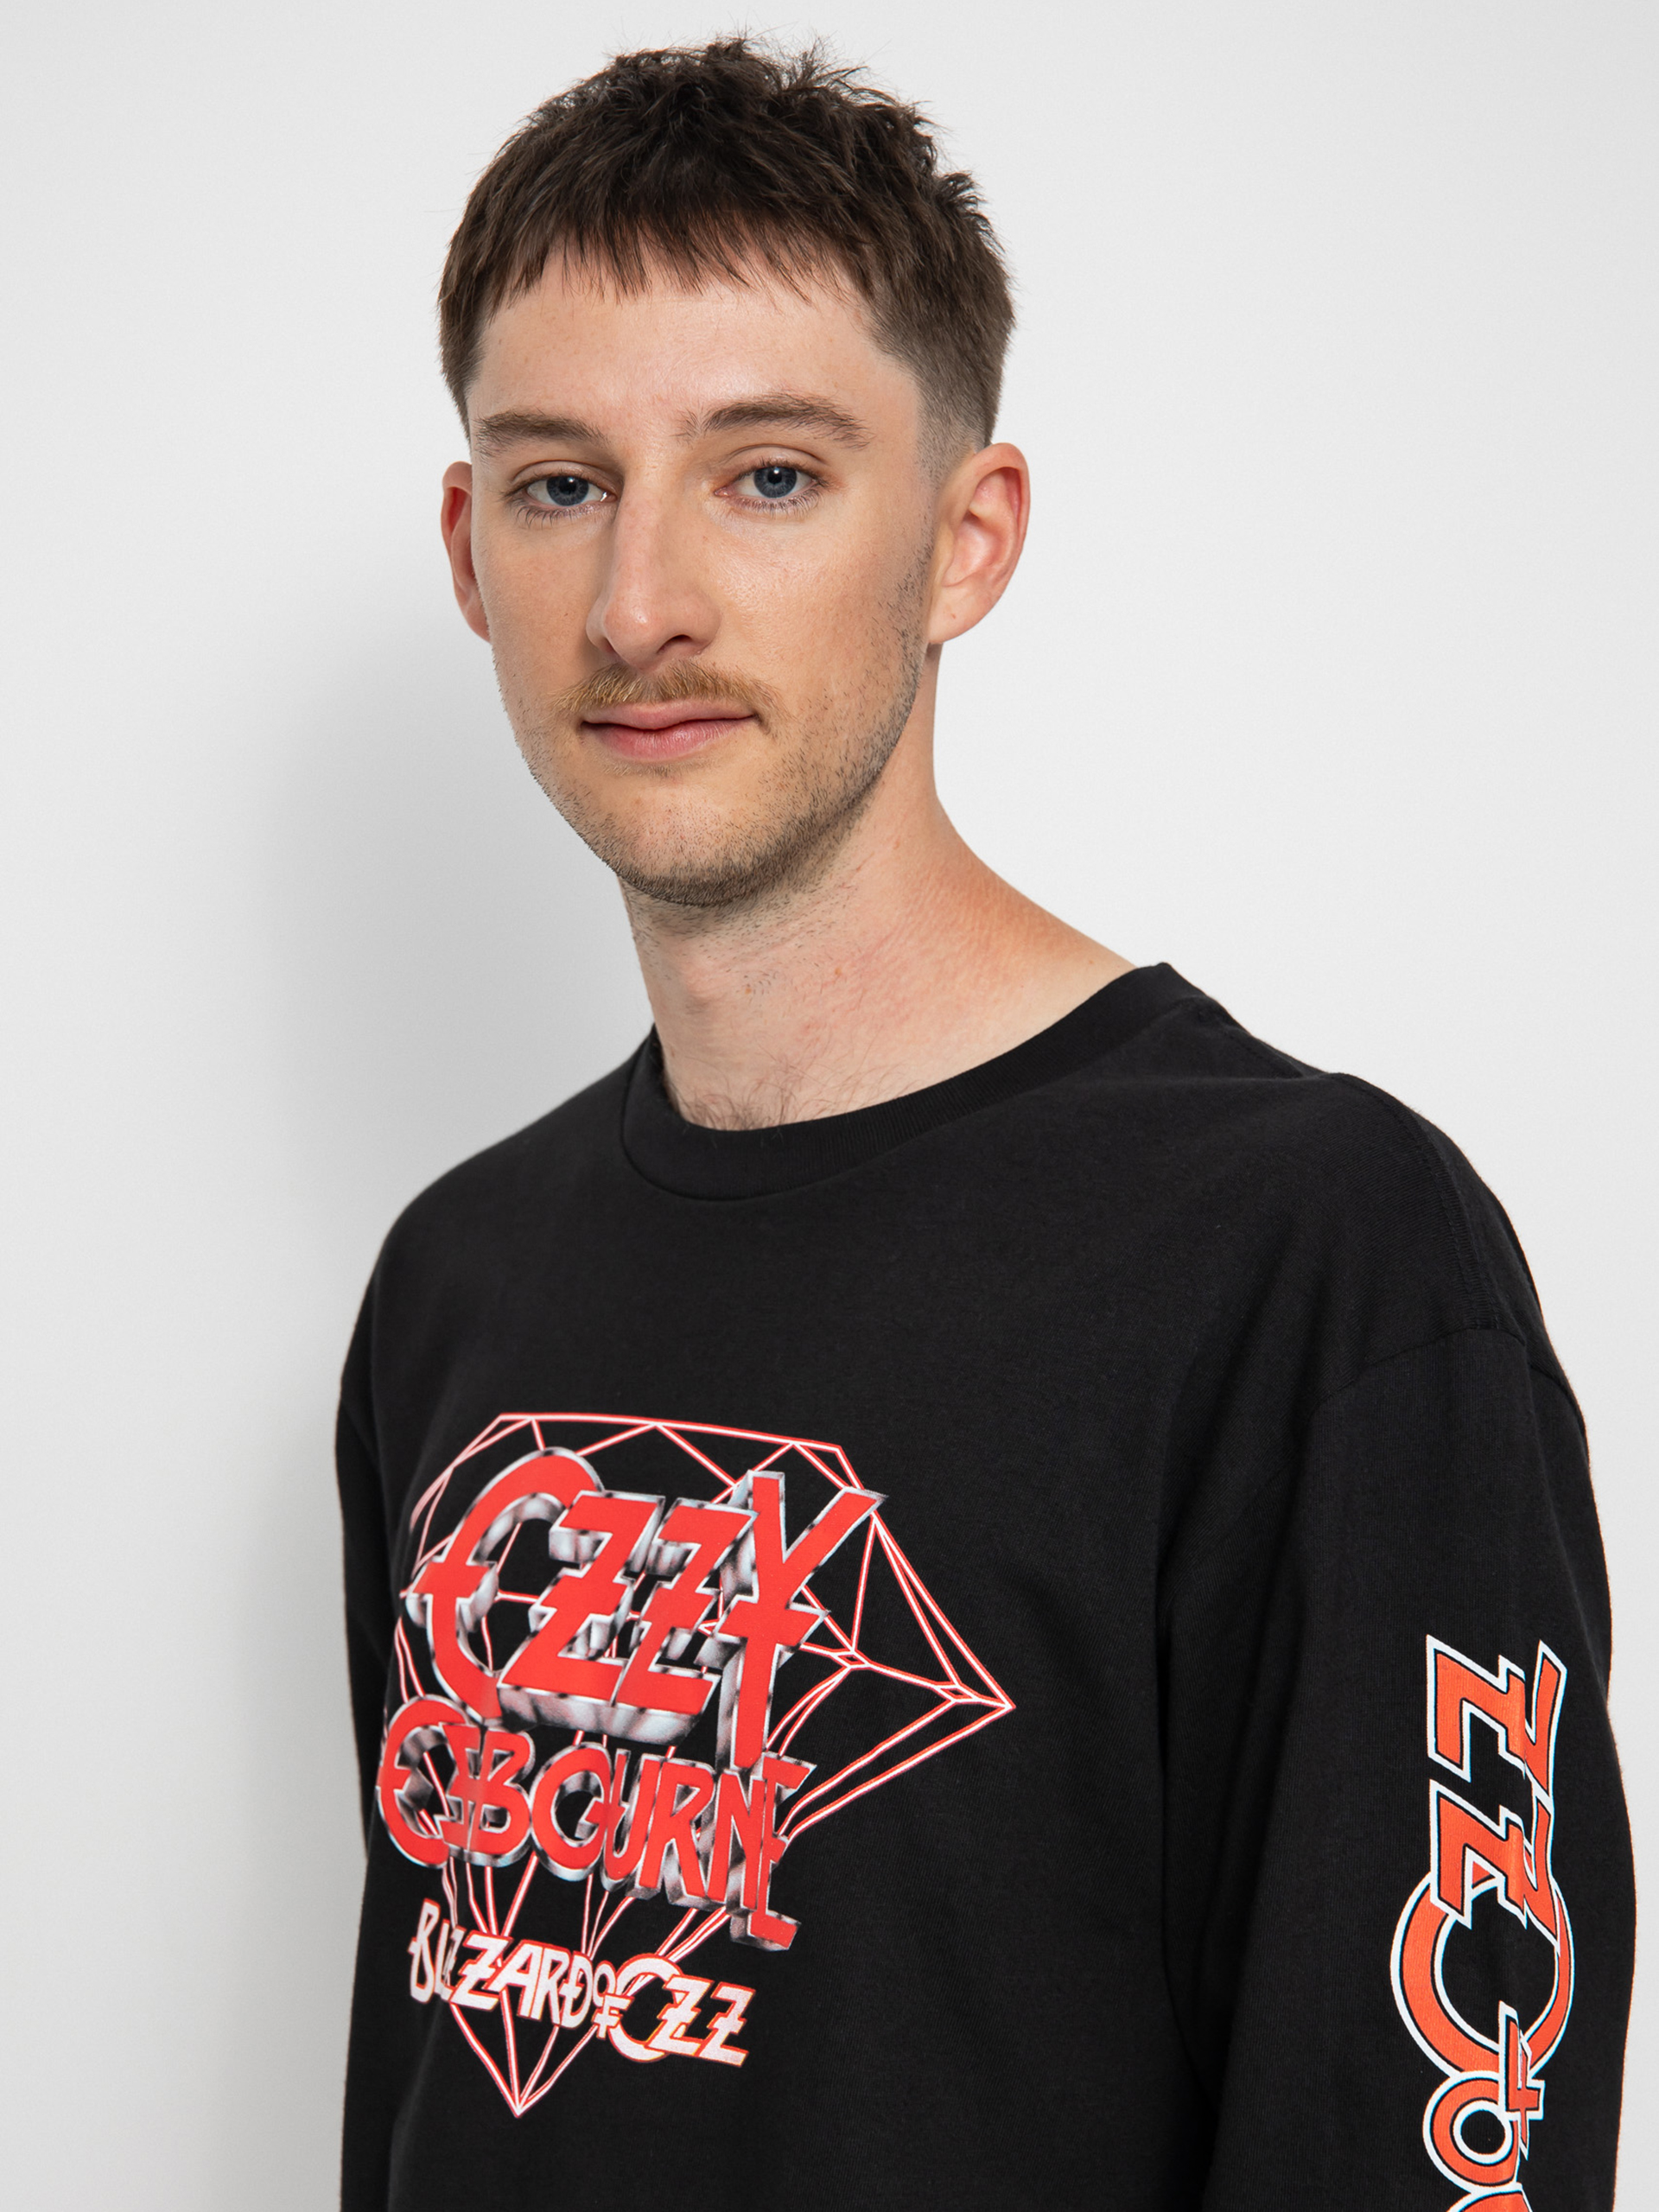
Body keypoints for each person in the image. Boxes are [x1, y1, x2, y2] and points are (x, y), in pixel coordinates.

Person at [335, 40, 1632, 2210]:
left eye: (768, 474)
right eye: (562, 484)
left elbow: (1430, 2137)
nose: (641, 601)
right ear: (472, 549)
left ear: (966, 538)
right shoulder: (458, 1275)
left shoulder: (1312, 1254)